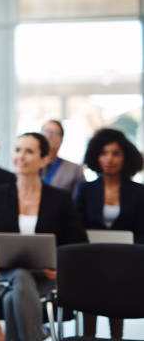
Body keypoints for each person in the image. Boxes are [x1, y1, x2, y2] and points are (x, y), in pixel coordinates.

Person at [0, 132, 88, 341]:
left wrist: (57, 266)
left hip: (47, 279)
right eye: (18, 150)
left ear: (44, 159)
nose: (21, 156)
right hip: (3, 275)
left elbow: (79, 244)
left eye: (29, 151)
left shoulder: (60, 199)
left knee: (14, 295)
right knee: (20, 276)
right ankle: (37, 335)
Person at [74, 128, 144, 339]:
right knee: (89, 293)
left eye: (116, 153)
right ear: (96, 156)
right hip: (90, 257)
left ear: (126, 157)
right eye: (104, 153)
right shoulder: (85, 189)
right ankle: (88, 336)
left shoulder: (138, 192)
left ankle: (117, 337)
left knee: (117, 296)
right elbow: (76, 227)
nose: (109, 159)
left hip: (126, 259)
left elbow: (142, 230)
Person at [40, 119, 85, 197]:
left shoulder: (75, 170)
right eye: (45, 131)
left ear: (61, 140)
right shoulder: (28, 165)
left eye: (53, 133)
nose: (48, 136)